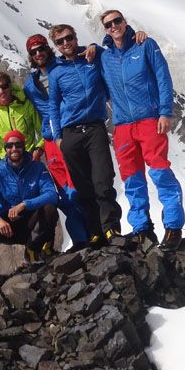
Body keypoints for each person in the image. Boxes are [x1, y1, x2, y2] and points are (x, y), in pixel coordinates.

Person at [99, 10, 185, 250]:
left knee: (160, 173)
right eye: (109, 24)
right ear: (105, 29)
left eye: (117, 21)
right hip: (123, 126)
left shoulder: (145, 45)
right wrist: (93, 50)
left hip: (149, 120)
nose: (114, 26)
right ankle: (142, 229)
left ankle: (173, 226)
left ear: (125, 22)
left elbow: (163, 78)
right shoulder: (105, 58)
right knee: (132, 180)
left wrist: (165, 112)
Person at [47, 23, 121, 247]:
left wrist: (96, 47)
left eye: (68, 38)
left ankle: (111, 229)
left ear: (75, 36)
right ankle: (95, 232)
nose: (66, 43)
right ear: (56, 46)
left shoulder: (92, 59)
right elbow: (53, 106)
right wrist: (58, 137)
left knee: (103, 180)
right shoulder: (56, 72)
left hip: (94, 128)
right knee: (82, 186)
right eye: (60, 41)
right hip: (70, 133)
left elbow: (111, 54)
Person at [21, 35, 88, 249]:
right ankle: (81, 239)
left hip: (69, 132)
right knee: (63, 190)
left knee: (78, 184)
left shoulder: (64, 66)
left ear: (48, 49)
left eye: (41, 49)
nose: (38, 54)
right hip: (50, 141)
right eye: (33, 52)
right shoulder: (31, 85)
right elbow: (11, 95)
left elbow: (85, 55)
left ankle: (93, 233)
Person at [0, 130, 59, 277]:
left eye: (18, 144)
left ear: (23, 146)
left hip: (35, 222)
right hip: (10, 226)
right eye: (9, 145)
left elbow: (52, 195)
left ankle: (33, 250)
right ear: (5, 148)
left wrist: (25, 204)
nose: (14, 149)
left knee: (50, 209)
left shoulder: (37, 168)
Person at [0, 71, 44, 165]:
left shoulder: (26, 105)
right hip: (6, 164)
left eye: (4, 86)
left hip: (30, 160)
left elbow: (43, 130)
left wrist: (39, 149)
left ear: (10, 86)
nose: (1, 91)